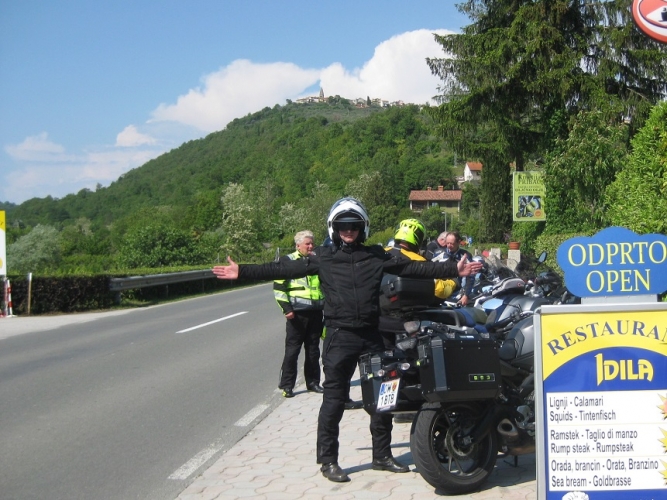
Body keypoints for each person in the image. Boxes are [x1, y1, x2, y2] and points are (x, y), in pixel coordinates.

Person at [212, 197, 482, 483]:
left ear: (362, 228)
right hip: (340, 337)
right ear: (334, 228)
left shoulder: (376, 255)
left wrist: (454, 270)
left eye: (354, 225)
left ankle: (382, 455)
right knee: (334, 400)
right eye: (343, 226)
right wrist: (243, 271)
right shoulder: (323, 257)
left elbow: (414, 268)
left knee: (383, 398)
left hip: (372, 334)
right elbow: (282, 269)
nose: (349, 230)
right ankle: (328, 460)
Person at [379, 218, 458, 349]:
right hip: (408, 323)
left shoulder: (381, 254)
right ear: (418, 238)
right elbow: (440, 290)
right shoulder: (418, 260)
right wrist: (454, 282)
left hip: (379, 321)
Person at [273, 230, 324, 398]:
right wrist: (286, 309)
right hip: (296, 314)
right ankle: (287, 386)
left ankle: (313, 383)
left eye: (312, 243)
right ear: (298, 245)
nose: (310, 246)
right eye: (307, 244)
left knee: (313, 350)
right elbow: (279, 287)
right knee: (292, 351)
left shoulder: (317, 260)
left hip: (315, 311)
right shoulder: (287, 261)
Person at [441, 231, 475, 306]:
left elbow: (471, 276)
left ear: (458, 242)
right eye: (447, 243)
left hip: (458, 293)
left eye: (452, 243)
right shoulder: (439, 253)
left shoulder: (465, 255)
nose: (449, 246)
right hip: (441, 292)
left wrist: (466, 295)